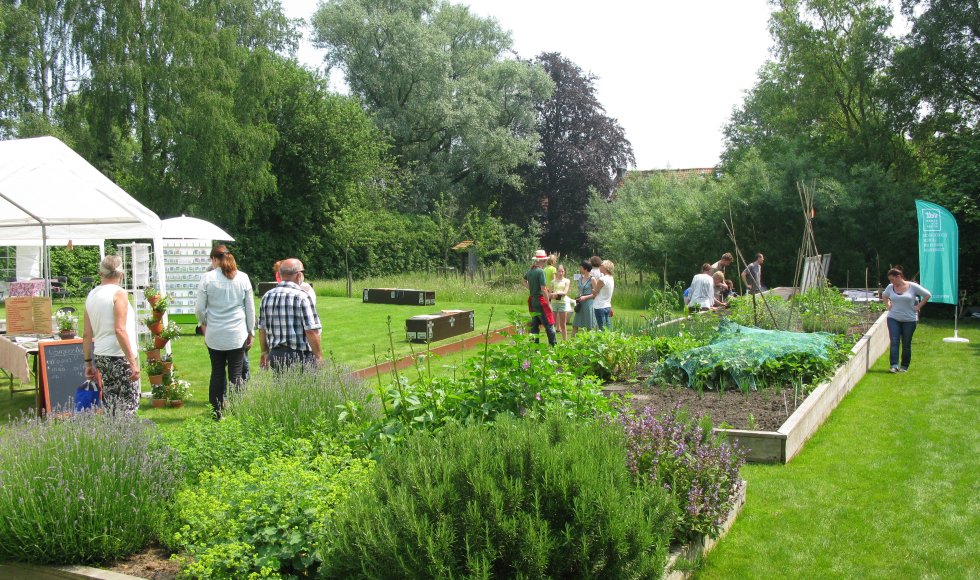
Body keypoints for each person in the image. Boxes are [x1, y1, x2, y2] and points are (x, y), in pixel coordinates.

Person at [196, 245, 255, 418]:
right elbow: (250, 309)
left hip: (215, 333)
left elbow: (199, 309)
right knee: (235, 374)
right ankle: (237, 412)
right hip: (237, 333)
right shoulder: (243, 277)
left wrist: (203, 323)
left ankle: (216, 412)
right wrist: (251, 330)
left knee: (217, 372)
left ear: (214, 259)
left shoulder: (207, 278)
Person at [83, 255, 140, 416]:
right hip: (119, 355)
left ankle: (112, 432)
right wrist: (132, 362)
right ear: (121, 274)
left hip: (101, 355)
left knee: (111, 404)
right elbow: (120, 330)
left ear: (101, 273)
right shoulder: (119, 293)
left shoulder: (91, 295)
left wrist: (88, 363)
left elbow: (86, 334)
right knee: (128, 405)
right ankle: (127, 433)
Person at [258, 258, 323, 370]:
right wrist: (318, 356)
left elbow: (262, 329)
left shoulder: (267, 296)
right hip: (300, 356)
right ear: (299, 275)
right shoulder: (302, 296)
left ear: (280, 274)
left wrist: (265, 352)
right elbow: (311, 330)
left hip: (276, 355)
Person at [882, 268, 931, 373]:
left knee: (906, 343)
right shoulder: (890, 287)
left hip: (910, 319)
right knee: (894, 341)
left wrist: (918, 306)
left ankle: (904, 366)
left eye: (892, 279)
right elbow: (884, 295)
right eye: (890, 280)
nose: (891, 282)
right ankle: (894, 365)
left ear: (899, 277)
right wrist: (888, 305)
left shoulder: (912, 286)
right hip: (893, 318)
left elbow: (927, 295)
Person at [523, 250, 556, 346]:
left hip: (533, 300)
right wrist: (548, 304)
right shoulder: (541, 271)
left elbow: (523, 280)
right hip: (541, 301)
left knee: (534, 325)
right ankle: (554, 346)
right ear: (544, 260)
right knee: (549, 324)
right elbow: (543, 289)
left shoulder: (530, 271)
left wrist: (531, 288)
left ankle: (534, 347)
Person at [580, 260, 615, 331]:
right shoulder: (611, 278)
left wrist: (592, 291)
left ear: (605, 267)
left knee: (602, 329)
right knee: (607, 328)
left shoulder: (602, 279)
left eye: (601, 265)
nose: (600, 266)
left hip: (599, 306)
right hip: (607, 305)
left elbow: (595, 293)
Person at [572, 260, 596, 336]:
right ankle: (571, 342)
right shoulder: (580, 278)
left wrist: (585, 297)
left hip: (588, 304)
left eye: (581, 267)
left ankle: (588, 342)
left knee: (589, 326)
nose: (579, 268)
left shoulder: (592, 279)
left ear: (585, 269)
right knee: (575, 324)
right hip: (580, 303)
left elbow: (595, 294)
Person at [550, 264, 572, 340]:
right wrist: (554, 295)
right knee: (552, 323)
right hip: (554, 303)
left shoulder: (567, 281)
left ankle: (565, 341)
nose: (560, 273)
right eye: (559, 271)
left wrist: (558, 293)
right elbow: (549, 294)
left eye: (562, 271)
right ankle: (552, 341)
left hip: (563, 303)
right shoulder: (553, 281)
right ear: (556, 272)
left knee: (563, 324)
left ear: (564, 272)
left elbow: (565, 292)